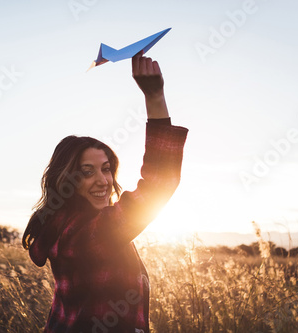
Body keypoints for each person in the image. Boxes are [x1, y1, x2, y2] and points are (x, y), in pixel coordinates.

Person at [22, 51, 188, 332]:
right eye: (87, 172)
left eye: (106, 168)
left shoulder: (62, 224)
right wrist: (155, 98)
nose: (103, 180)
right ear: (67, 181)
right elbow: (159, 184)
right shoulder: (86, 234)